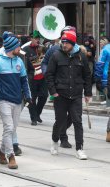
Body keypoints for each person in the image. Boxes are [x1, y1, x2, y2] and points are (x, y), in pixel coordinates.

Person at [0, 32, 31, 169]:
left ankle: (1, 152)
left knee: (12, 130)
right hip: (3, 100)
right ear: (12, 48)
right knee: (8, 127)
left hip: (17, 100)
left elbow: (24, 81)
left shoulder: (19, 61)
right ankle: (10, 155)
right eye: (18, 47)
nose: (20, 49)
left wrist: (28, 95)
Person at [45, 31, 92, 160]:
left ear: (72, 43)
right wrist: (53, 91)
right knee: (60, 121)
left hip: (76, 95)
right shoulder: (56, 55)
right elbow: (49, 75)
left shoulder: (81, 56)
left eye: (67, 42)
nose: (64, 44)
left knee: (78, 121)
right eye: (63, 42)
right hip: (60, 95)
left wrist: (88, 93)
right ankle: (55, 141)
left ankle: (79, 149)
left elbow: (87, 75)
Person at [41, 26, 76, 148]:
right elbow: (44, 63)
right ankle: (63, 137)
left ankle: (60, 130)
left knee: (72, 116)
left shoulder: (76, 51)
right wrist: (48, 76)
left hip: (72, 89)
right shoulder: (55, 49)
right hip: (58, 87)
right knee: (60, 115)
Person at [23, 30, 48, 126]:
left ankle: (37, 113)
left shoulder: (43, 49)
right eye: (36, 38)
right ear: (31, 39)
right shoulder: (25, 49)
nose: (37, 40)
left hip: (42, 78)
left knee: (44, 96)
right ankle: (33, 118)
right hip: (32, 78)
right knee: (32, 99)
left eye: (39, 38)